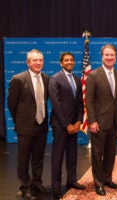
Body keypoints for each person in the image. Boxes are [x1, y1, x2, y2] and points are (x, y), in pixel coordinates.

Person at [7, 49, 50, 200]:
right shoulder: (18, 79)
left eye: (40, 60)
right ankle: (25, 187)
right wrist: (20, 122)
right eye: (34, 60)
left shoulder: (46, 78)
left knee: (38, 157)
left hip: (42, 124)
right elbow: (12, 104)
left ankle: (37, 183)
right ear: (28, 62)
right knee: (23, 159)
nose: (38, 63)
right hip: (25, 126)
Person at [85, 44, 117, 196]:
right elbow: (89, 100)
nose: (109, 58)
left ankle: (107, 178)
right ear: (102, 57)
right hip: (99, 123)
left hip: (114, 122)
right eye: (107, 55)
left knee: (111, 152)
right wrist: (92, 121)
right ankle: (98, 182)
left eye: (112, 55)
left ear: (116, 57)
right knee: (97, 153)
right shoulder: (94, 75)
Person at [48, 52, 86, 199]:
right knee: (57, 157)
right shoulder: (55, 79)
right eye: (66, 60)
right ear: (61, 63)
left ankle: (71, 181)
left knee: (72, 155)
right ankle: (56, 186)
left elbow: (79, 104)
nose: (69, 62)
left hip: (74, 126)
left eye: (71, 60)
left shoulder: (76, 79)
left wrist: (78, 122)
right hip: (60, 126)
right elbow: (56, 104)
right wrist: (67, 125)